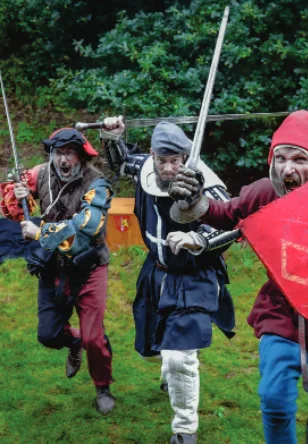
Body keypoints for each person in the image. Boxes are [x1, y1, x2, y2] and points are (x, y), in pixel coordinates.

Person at [168, 110, 308, 444]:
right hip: (281, 308)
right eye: (280, 158)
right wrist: (194, 199)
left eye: (299, 159)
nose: (288, 169)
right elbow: (226, 213)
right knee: (275, 397)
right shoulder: (265, 193)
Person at [100, 117, 236, 444]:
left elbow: (233, 223)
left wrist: (200, 242)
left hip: (194, 275)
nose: (169, 168)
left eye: (176, 160)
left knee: (180, 356)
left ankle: (185, 430)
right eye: (163, 160)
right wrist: (112, 135)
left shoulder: (208, 184)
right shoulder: (146, 167)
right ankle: (171, 376)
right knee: (153, 348)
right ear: (153, 155)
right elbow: (119, 162)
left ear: (186, 158)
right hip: (157, 271)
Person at [0, 128, 115, 414]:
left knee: (94, 338)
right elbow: (11, 208)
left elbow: (87, 229)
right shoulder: (40, 173)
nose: (63, 160)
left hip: (89, 266)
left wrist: (40, 232)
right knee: (48, 335)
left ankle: (102, 387)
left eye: (69, 153)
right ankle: (74, 341)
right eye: (58, 153)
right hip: (54, 266)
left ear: (81, 155)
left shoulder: (97, 184)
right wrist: (19, 194)